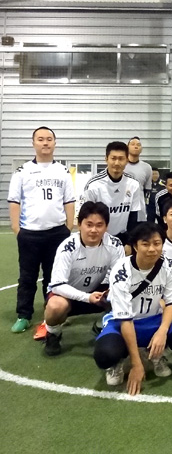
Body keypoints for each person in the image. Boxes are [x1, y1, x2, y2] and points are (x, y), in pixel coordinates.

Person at [93, 223, 172, 395]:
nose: (152, 249)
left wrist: (162, 331)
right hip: (122, 323)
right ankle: (118, 363)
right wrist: (136, 365)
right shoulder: (121, 271)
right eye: (145, 244)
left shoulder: (169, 267)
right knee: (105, 355)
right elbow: (125, 319)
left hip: (154, 320)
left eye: (157, 243)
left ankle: (156, 355)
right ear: (135, 246)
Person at [7, 126, 75, 334]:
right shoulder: (22, 172)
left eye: (49, 139)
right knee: (27, 277)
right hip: (29, 234)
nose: (45, 143)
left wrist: (68, 228)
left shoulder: (63, 171)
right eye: (40, 139)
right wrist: (17, 228)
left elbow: (69, 201)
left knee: (53, 277)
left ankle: (50, 314)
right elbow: (14, 201)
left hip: (57, 233)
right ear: (33, 143)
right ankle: (24, 315)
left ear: (55, 143)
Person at [43, 201, 125, 356]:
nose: (94, 230)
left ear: (106, 227)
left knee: (124, 294)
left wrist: (110, 293)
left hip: (95, 292)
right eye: (89, 224)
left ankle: (105, 325)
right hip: (68, 296)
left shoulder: (115, 245)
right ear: (79, 225)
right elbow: (57, 285)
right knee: (55, 306)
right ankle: (53, 333)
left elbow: (121, 279)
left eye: (99, 225)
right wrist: (87, 297)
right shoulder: (67, 247)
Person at [83, 141, 145, 246]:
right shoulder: (93, 185)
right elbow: (87, 217)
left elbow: (133, 217)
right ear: (106, 159)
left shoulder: (133, 184)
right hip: (99, 237)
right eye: (113, 158)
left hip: (123, 238)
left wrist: (129, 243)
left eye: (121, 159)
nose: (117, 163)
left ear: (127, 160)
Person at [124, 136, 152, 221]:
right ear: (127, 147)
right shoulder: (121, 165)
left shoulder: (147, 167)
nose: (136, 146)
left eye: (138, 145)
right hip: (122, 210)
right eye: (133, 144)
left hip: (139, 211)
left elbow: (147, 191)